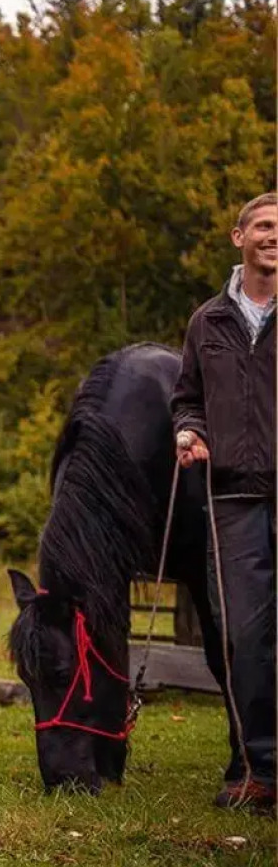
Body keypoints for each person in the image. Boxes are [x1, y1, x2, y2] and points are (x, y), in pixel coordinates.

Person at [172, 190, 277, 816]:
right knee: (243, 636)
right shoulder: (206, 322)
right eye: (262, 226)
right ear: (238, 237)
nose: (272, 236)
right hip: (233, 498)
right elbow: (186, 397)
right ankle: (259, 767)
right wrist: (189, 430)